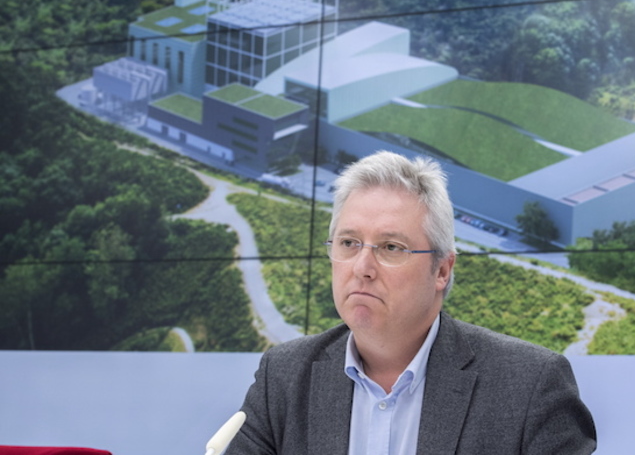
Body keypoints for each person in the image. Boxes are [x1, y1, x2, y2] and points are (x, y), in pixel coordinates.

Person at [227, 150, 596, 454]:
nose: (362, 268)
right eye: (349, 243)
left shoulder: (530, 386)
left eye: (391, 247)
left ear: (442, 270)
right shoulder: (285, 376)